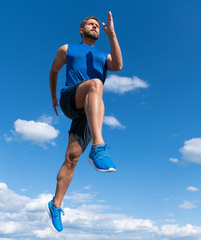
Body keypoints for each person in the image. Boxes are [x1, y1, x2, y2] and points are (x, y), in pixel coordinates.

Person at [47, 11, 123, 232]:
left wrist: (112, 35)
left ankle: (55, 205)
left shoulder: (103, 56)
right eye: (90, 24)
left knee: (71, 158)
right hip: (71, 97)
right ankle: (99, 148)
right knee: (95, 84)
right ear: (81, 30)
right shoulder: (67, 49)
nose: (94, 27)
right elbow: (53, 72)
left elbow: (117, 66)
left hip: (90, 109)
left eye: (96, 25)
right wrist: (53, 97)